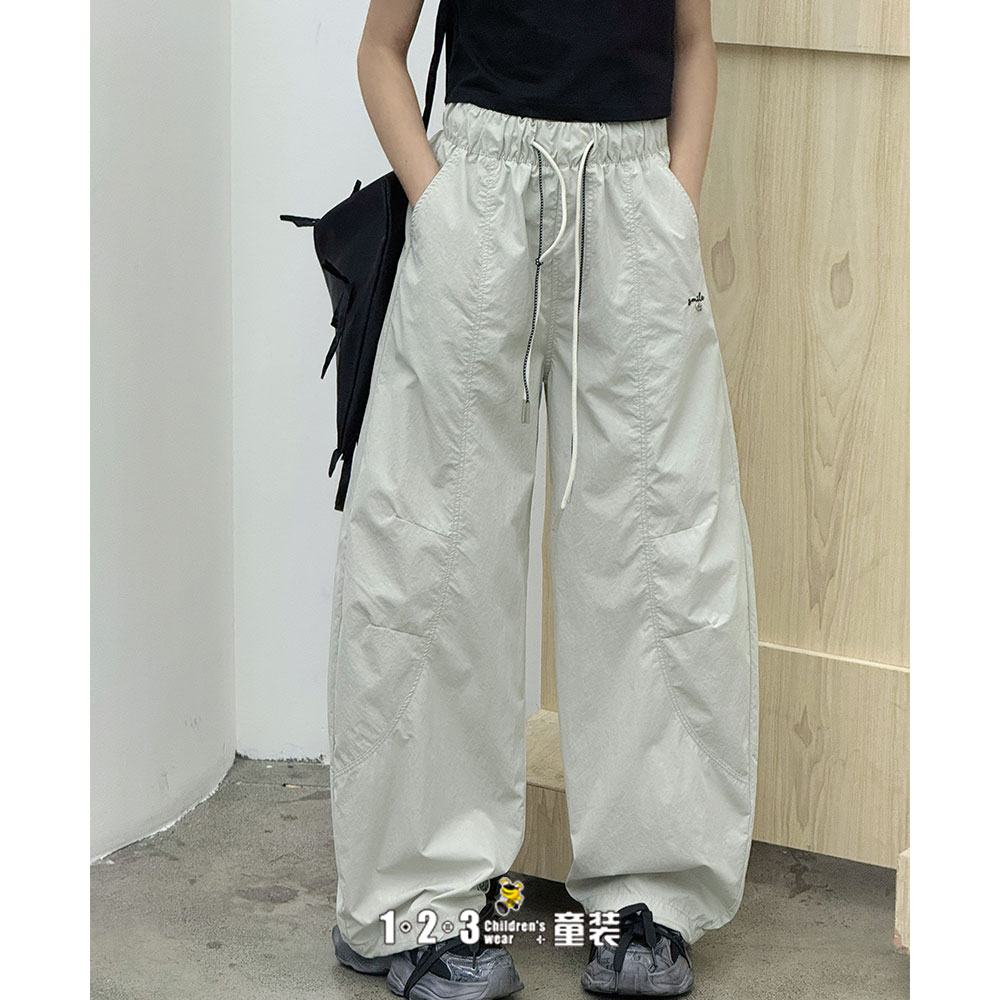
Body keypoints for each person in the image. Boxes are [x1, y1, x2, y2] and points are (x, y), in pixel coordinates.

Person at [326, 1, 759, 996]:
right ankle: (410, 903)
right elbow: (381, 50)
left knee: (659, 548)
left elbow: (693, 40)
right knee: (435, 551)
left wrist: (673, 204)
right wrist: (441, 204)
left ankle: (649, 897)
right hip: (480, 194)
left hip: (635, 200)